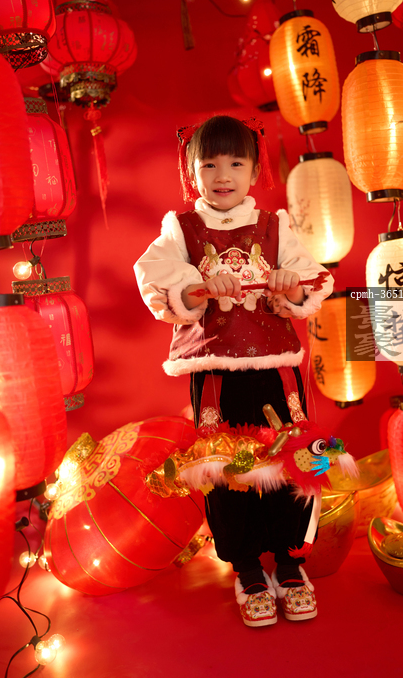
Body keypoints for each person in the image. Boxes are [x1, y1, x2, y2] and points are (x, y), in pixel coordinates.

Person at [134, 115, 334, 627]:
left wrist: (289, 285)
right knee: (225, 468)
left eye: (236, 163)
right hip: (216, 375)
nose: (223, 175)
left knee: (291, 460)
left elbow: (311, 279)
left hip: (276, 369)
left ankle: (290, 565)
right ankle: (246, 569)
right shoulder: (180, 229)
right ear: (192, 171)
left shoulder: (275, 225)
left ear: (254, 170)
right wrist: (195, 287)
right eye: (209, 164)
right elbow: (152, 275)